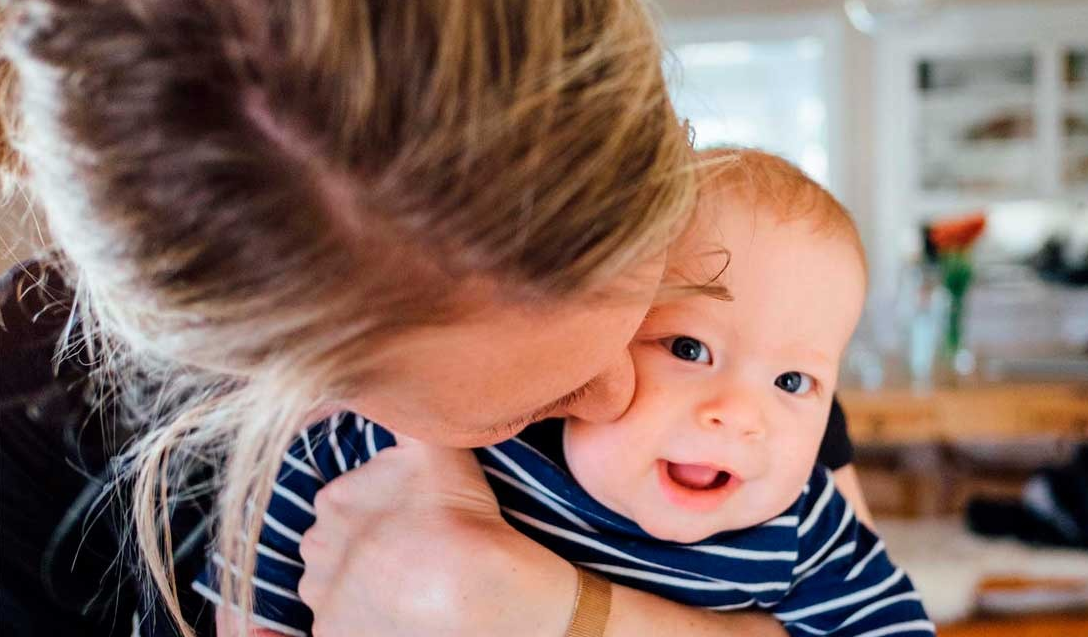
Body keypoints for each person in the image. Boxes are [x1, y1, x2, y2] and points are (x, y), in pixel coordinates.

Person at [0, 2, 866, 636]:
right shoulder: (27, 439)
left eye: (652, 320)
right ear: (289, 382)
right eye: (526, 403)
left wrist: (550, 611)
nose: (622, 390)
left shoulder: (737, 300)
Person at [199, 150, 926, 637]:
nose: (738, 413)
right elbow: (276, 525)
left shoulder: (804, 524)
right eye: (688, 348)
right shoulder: (476, 431)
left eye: (793, 382)